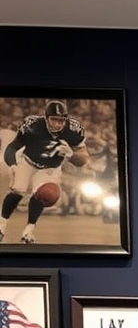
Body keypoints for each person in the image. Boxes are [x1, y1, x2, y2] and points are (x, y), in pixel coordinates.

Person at [0, 100, 90, 244]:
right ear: (46, 117)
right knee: (18, 190)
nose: (57, 124)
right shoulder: (32, 126)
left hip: (50, 167)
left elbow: (84, 160)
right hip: (28, 161)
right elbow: (12, 148)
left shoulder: (73, 130)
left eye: (61, 120)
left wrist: (71, 154)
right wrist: (13, 165)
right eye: (54, 119)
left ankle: (28, 231)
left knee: (46, 194)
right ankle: (1, 227)